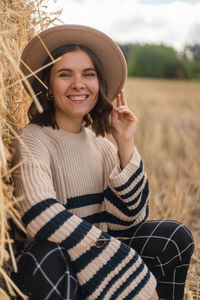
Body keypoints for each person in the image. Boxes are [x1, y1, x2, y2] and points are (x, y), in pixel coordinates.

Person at [11, 24, 194, 300]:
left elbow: (130, 221)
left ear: (99, 84)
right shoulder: (34, 139)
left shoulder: (102, 146)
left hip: (100, 270)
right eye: (64, 74)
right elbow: (39, 215)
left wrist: (125, 143)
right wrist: (125, 266)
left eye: (89, 74)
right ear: (47, 85)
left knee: (174, 237)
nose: (78, 83)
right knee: (46, 255)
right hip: (58, 276)